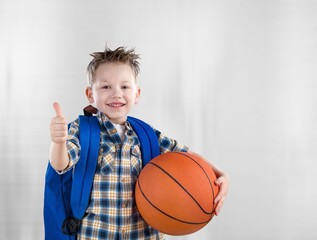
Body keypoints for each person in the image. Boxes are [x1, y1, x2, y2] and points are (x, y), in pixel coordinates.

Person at [49, 46, 229, 239]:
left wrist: (220, 175)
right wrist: (58, 142)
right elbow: (61, 164)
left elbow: (185, 156)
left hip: (143, 234)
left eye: (125, 87)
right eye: (106, 86)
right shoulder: (82, 130)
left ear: (137, 94)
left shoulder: (146, 134)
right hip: (95, 233)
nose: (116, 94)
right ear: (90, 94)